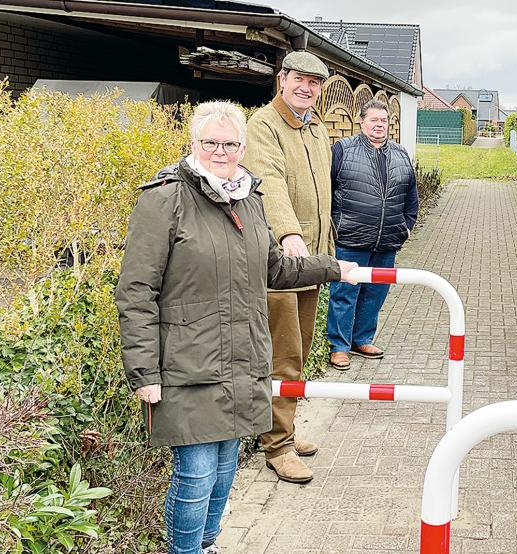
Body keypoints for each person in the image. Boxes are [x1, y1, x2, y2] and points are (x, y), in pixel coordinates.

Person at [115, 101, 358, 554]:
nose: (221, 151)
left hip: (241, 359)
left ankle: (205, 546)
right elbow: (135, 291)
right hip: (188, 362)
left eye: (230, 143)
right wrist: (144, 372)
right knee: (197, 472)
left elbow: (275, 270)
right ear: (194, 144)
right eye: (211, 142)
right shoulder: (165, 198)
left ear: (243, 148)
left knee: (226, 466)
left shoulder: (249, 198)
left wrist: (331, 267)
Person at [243, 51, 335, 484]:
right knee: (283, 354)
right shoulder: (263, 125)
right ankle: (277, 446)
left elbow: (323, 191)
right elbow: (270, 183)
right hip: (282, 262)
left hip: (310, 261)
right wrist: (288, 234)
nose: (307, 88)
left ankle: (286, 428)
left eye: (315, 83)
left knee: (300, 351)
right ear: (282, 79)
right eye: (299, 79)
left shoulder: (316, 127)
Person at [325, 99, 418, 370]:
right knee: (344, 293)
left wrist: (406, 226)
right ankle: (339, 347)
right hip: (350, 240)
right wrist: (334, 227)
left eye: (384, 121)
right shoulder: (342, 151)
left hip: (387, 241)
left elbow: (411, 197)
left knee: (376, 292)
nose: (379, 125)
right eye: (374, 120)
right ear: (361, 122)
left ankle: (362, 339)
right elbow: (327, 192)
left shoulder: (401, 154)